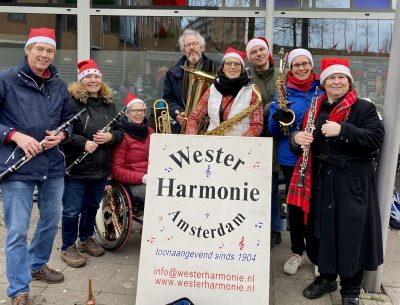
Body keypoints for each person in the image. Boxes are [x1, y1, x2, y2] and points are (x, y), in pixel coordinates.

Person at [288, 58, 384, 305]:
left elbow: (375, 138)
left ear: (349, 82)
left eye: (342, 78)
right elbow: (300, 141)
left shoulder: (363, 108)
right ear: (324, 83)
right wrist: (296, 138)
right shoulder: (314, 110)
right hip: (321, 182)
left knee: (351, 237)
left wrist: (343, 131)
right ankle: (327, 277)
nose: (337, 81)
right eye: (331, 78)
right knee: (320, 233)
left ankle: (351, 290)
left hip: (352, 185)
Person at [0, 28, 74, 305]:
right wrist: (13, 134)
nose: (44, 55)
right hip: (17, 167)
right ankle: (19, 289)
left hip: (52, 166)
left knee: (50, 220)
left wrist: (62, 135)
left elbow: (70, 121)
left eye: (50, 50)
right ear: (28, 50)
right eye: (39, 49)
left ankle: (37, 264)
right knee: (18, 230)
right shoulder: (5, 80)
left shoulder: (58, 84)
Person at [61, 59, 124, 268]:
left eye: (96, 76)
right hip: (77, 168)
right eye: (88, 76)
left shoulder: (109, 105)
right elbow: (63, 132)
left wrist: (111, 137)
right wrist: (83, 143)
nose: (93, 80)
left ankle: (86, 238)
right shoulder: (71, 103)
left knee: (91, 206)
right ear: (81, 80)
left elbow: (120, 131)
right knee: (72, 209)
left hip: (100, 167)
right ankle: (68, 246)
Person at [268, 48, 321, 274]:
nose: (301, 68)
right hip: (291, 158)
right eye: (296, 65)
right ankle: (297, 251)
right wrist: (277, 118)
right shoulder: (283, 92)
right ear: (290, 68)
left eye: (304, 64)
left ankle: (318, 255)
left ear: (311, 65)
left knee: (317, 207)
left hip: (318, 156)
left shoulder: (322, 87)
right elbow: (273, 130)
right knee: (296, 208)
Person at [246, 37, 282, 249]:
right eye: (254, 52)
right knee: (257, 188)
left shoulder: (281, 75)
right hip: (255, 139)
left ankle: (274, 228)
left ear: (267, 52)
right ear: (250, 57)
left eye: (261, 50)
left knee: (272, 186)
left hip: (277, 138)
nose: (258, 54)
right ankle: (257, 226)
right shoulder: (247, 78)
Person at [186, 47, 263, 136]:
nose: (233, 67)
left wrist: (241, 143)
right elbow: (194, 118)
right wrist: (192, 138)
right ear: (222, 68)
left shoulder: (252, 90)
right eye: (228, 63)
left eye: (237, 64)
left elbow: (257, 125)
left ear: (242, 68)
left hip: (239, 146)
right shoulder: (213, 88)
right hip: (212, 144)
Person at [163, 29, 216, 133]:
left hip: (207, 127)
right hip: (181, 127)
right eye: (187, 45)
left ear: (202, 47)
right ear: (183, 50)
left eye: (195, 44)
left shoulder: (215, 70)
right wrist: (177, 113)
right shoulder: (172, 73)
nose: (192, 48)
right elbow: (168, 99)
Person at [112, 93, 154, 200]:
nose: (139, 113)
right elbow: (117, 171)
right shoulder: (121, 134)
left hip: (152, 178)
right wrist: (142, 177)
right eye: (135, 110)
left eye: (142, 110)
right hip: (132, 182)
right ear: (127, 113)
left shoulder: (150, 132)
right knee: (155, 194)